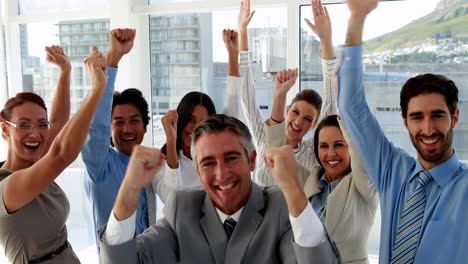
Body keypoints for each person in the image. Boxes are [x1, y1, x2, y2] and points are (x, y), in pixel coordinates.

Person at [98, 114, 342, 264]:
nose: (221, 173)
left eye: (231, 158)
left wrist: (294, 190)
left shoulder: (280, 206)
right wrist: (129, 189)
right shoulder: (182, 208)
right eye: (208, 163)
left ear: (252, 160)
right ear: (196, 168)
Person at [338, 0, 468, 263]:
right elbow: (351, 107)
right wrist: (357, 17)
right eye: (417, 117)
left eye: (438, 115)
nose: (428, 128)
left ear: (454, 117)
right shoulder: (393, 171)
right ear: (405, 121)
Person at [0, 46, 107, 263]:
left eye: (41, 124)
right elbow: (62, 154)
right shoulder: (7, 188)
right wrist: (97, 89)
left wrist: (65, 71)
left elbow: (58, 122)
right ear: (4, 129)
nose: (35, 133)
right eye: (23, 125)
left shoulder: (36, 163)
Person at [81, 29, 172, 245]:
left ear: (145, 127)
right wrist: (113, 58)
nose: (127, 129)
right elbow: (96, 126)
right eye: (118, 122)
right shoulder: (100, 164)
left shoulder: (149, 164)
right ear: (110, 129)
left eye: (134, 121)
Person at [237, 0, 338, 186]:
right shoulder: (263, 137)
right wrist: (242, 31)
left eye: (308, 119)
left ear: (315, 124)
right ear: (287, 109)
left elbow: (331, 102)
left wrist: (325, 40)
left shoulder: (312, 151)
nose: (299, 121)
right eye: (296, 112)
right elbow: (246, 97)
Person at [159, 30, 241, 189]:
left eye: (202, 122)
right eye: (191, 120)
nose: (196, 128)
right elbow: (172, 193)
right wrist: (171, 138)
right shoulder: (165, 160)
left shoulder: (215, 154)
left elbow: (233, 97)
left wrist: (232, 54)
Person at [302, 115, 377, 264]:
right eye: (324, 146)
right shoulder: (311, 182)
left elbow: (362, 146)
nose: (331, 153)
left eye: (339, 144)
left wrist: (344, 107)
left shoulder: (364, 184)